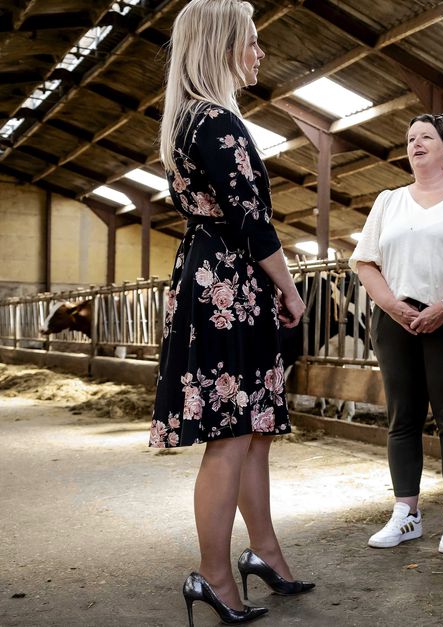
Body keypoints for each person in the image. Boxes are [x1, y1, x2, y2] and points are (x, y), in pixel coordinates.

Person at [148, 0, 313, 624]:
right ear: (222, 44)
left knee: (253, 432)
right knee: (231, 436)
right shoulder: (217, 121)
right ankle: (215, 576)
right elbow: (252, 222)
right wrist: (292, 290)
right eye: (252, 40)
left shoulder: (187, 121)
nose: (260, 52)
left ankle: (263, 553)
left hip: (214, 273)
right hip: (230, 282)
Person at [351, 114, 443, 556]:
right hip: (395, 319)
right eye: (410, 138)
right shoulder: (388, 201)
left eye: (426, 137)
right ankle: (407, 514)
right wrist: (390, 304)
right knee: (403, 417)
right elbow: (366, 263)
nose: (415, 143)